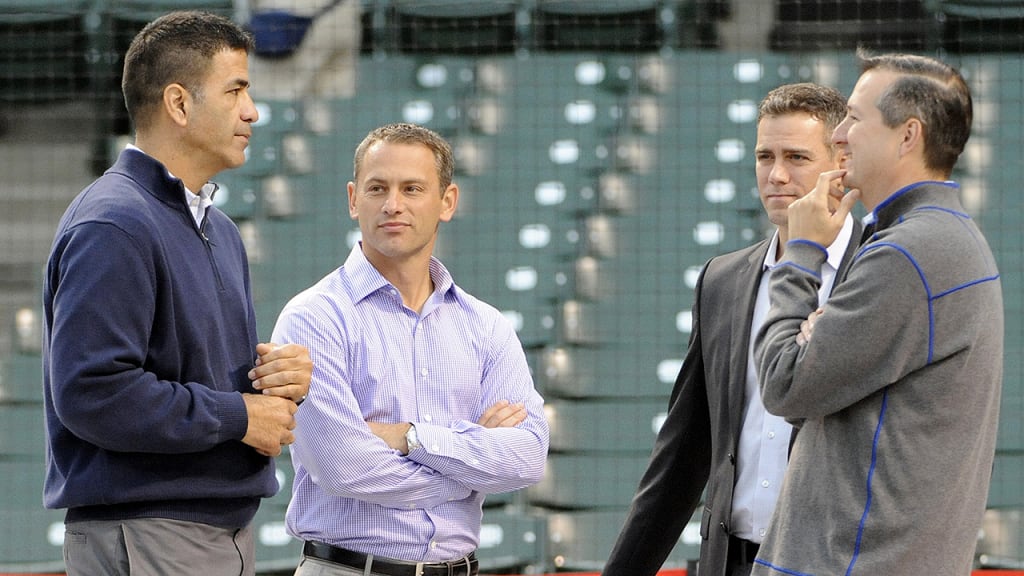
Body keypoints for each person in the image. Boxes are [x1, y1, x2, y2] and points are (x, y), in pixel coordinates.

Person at [42, 11, 312, 576]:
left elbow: (195, 376)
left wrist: (271, 381)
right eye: (235, 89)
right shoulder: (114, 224)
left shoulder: (220, 228)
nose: (252, 111)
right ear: (179, 104)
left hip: (212, 530)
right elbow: (93, 393)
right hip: (150, 532)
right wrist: (238, 413)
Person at [752, 51, 1003, 576]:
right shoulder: (933, 237)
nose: (839, 134)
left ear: (907, 136)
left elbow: (786, 386)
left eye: (855, 118)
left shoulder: (909, 254)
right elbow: (814, 397)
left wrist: (801, 255)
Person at [602, 83, 859, 576]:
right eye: (765, 156)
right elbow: (683, 451)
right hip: (731, 561)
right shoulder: (721, 280)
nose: (777, 175)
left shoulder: (880, 270)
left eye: (797, 157)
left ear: (840, 162)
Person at [271, 122, 550, 576]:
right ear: (352, 199)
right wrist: (469, 463)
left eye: (412, 188)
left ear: (447, 202)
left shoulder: (486, 327)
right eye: (377, 188)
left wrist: (409, 437)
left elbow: (527, 456)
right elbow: (346, 468)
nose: (393, 205)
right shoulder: (314, 318)